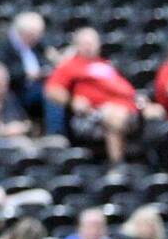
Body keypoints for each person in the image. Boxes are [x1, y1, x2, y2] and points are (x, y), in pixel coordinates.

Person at [44, 27, 148, 163]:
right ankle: (117, 167)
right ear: (77, 46)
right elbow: (51, 90)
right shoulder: (70, 66)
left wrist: (136, 98)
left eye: (92, 43)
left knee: (157, 113)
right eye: (85, 44)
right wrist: (72, 100)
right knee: (115, 115)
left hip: (129, 106)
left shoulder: (105, 65)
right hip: (92, 114)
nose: (89, 47)